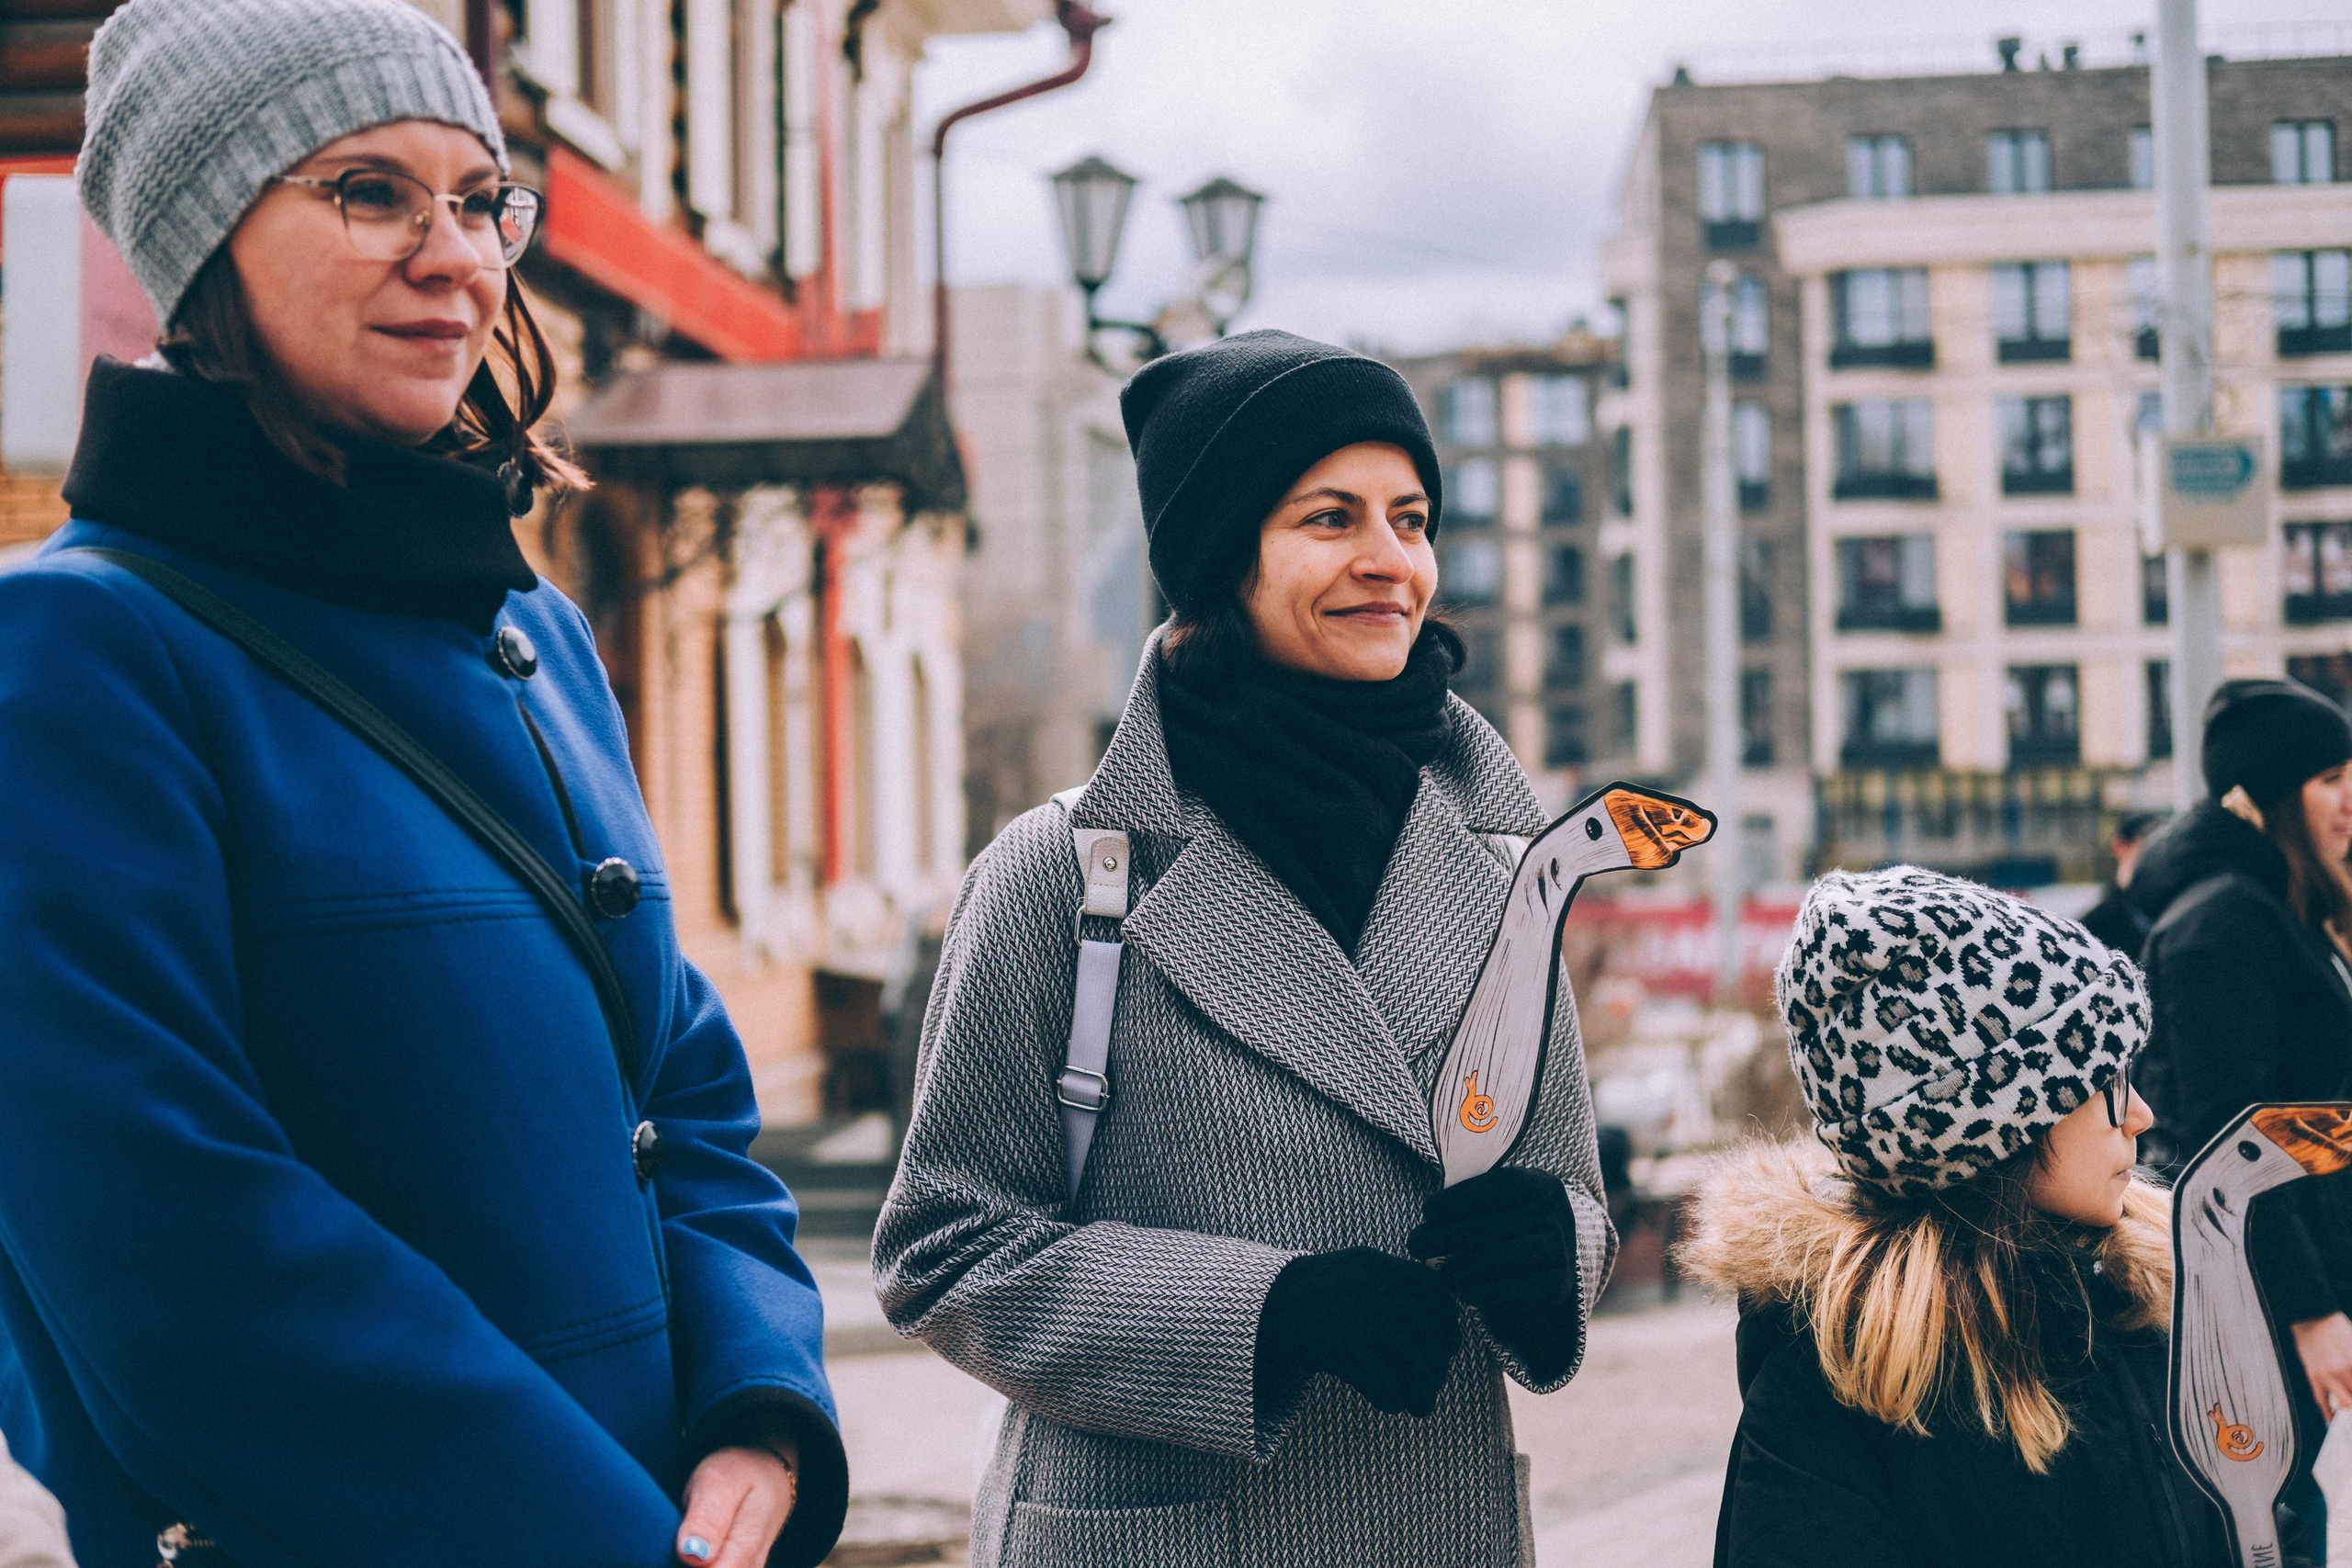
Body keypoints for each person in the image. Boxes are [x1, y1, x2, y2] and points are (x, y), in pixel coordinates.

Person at [0, 3, 844, 1564]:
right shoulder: (74, 649)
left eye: (476, 200)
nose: (455, 256)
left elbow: (678, 1083)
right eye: (371, 193)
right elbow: (174, 1247)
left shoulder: (536, 632)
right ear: (203, 243)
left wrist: (756, 1405)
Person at [873, 331, 1613, 1567]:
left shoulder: (1506, 870)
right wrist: (1263, 1317)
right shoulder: (1063, 873)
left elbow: (1569, 1192)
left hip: (1430, 1522)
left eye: (1412, 519)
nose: (1391, 561)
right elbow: (943, 1246)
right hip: (1157, 1533)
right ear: (1223, 557)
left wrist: (1558, 1247)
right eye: (1330, 518)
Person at [1683, 867, 2243, 1568]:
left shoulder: (2137, 1299)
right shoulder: (1838, 1384)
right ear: (1999, 1122)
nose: (2141, 1115)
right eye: (2106, 1081)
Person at [2131, 677, 2352, 1548]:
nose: (2350, 800)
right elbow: (2233, 1138)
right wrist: (2311, 1312)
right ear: (2267, 797)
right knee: (2270, 1523)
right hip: (2252, 1302)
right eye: (2330, 779)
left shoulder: (2274, 911)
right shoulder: (2224, 922)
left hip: (2285, 1282)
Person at [2078, 809, 2165, 957]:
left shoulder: (2174, 914)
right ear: (2119, 847)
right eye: (2147, 847)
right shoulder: (2093, 928)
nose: (2156, 857)